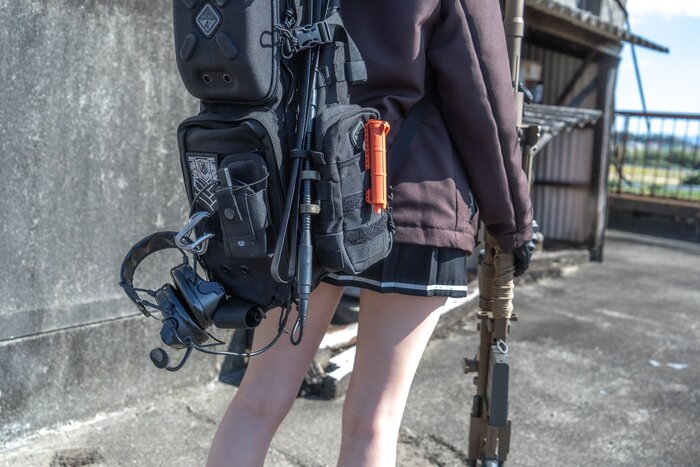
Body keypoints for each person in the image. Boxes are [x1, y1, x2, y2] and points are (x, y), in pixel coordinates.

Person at [206, 0, 533, 465]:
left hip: (302, 187)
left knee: (256, 403)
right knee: (374, 421)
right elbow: (484, 96)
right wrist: (513, 223)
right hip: (414, 196)